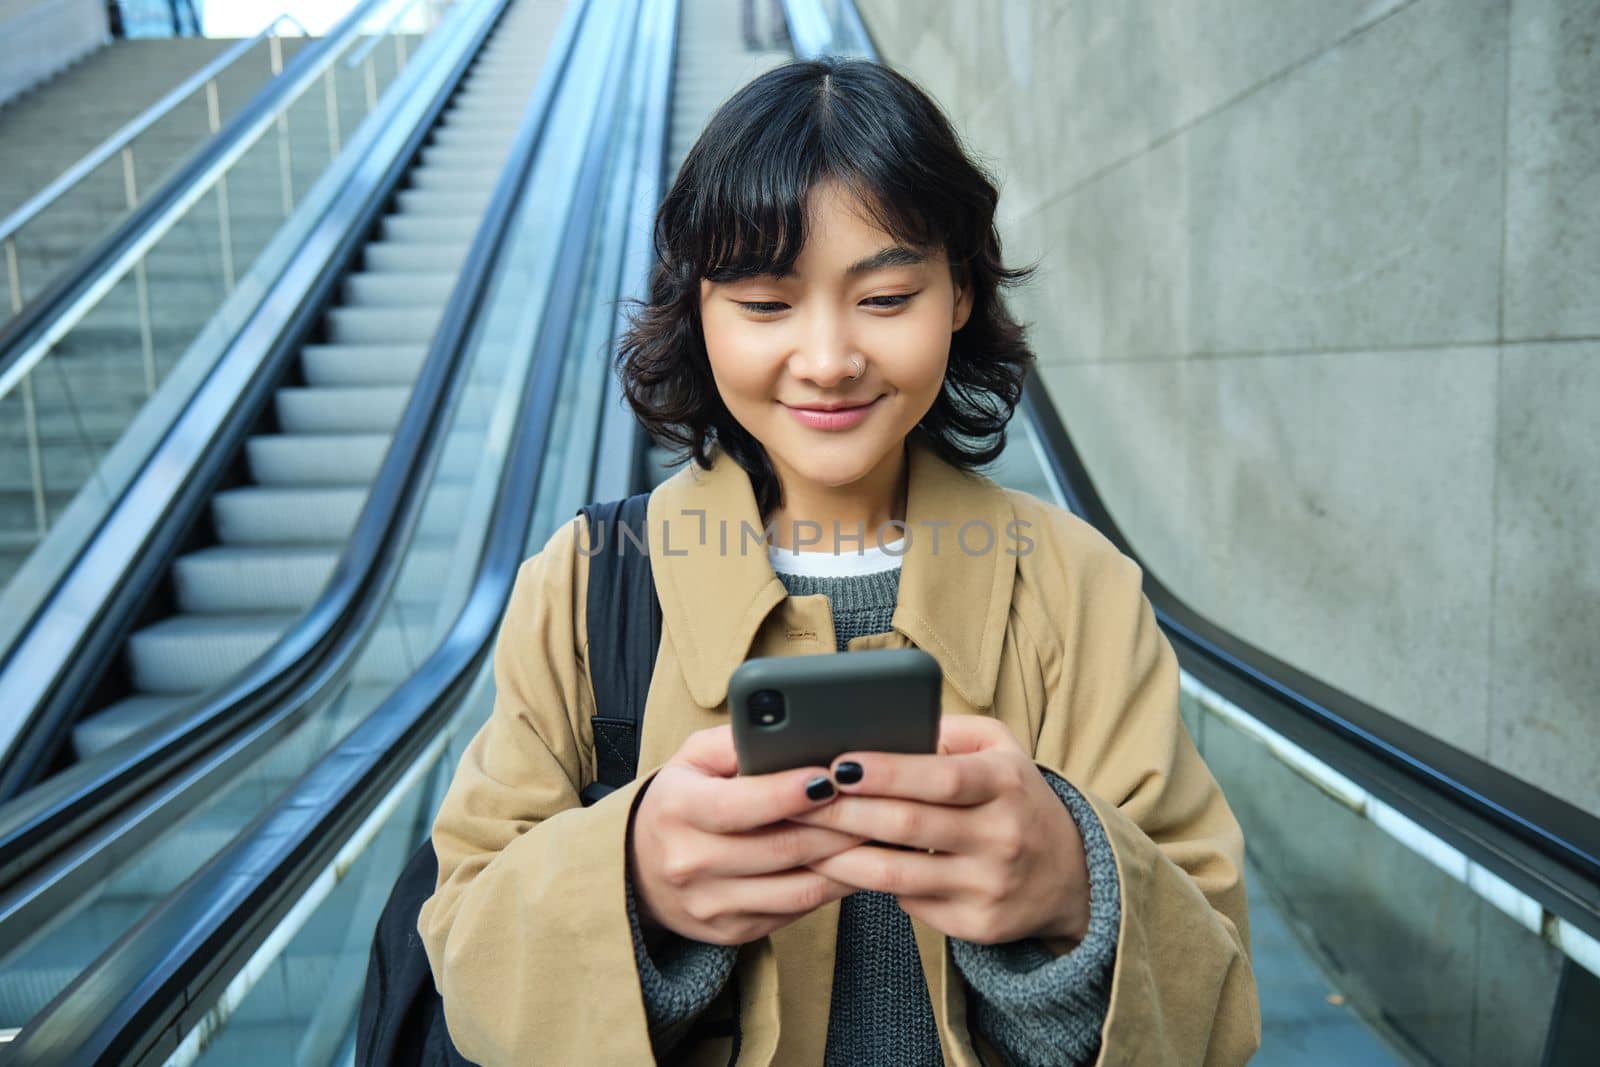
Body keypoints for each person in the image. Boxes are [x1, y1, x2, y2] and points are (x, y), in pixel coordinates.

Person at [417, 57, 1260, 1065]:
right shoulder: (587, 581)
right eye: (766, 304)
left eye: (886, 294)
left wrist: (1074, 883)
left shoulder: (1077, 583)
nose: (826, 359)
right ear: (699, 309)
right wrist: (630, 876)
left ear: (957, 291)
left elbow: (1213, 1001)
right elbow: (465, 955)